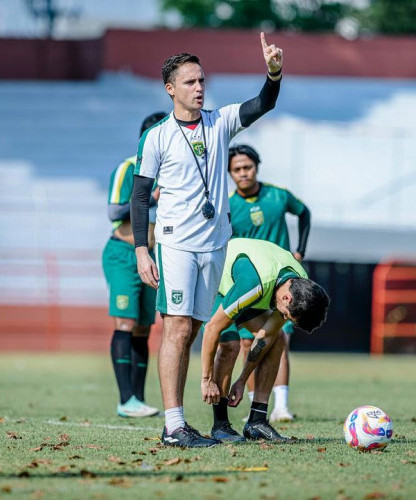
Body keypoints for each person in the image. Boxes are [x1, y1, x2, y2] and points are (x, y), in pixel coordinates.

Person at [131, 33, 284, 447]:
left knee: (195, 327)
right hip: (175, 242)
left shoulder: (220, 121)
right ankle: (173, 425)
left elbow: (263, 103)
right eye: (190, 82)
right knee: (177, 328)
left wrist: (273, 73)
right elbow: (141, 196)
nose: (200, 88)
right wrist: (142, 249)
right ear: (170, 88)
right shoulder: (157, 136)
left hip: (215, 243)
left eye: (202, 81)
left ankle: (181, 423)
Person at [200, 238, 329, 442]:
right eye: (286, 315)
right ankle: (220, 425)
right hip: (217, 280)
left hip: (245, 283)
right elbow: (211, 329)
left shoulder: (299, 282)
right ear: (287, 298)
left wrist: (242, 380)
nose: (284, 318)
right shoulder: (255, 286)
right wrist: (206, 380)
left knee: (278, 338)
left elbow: (265, 336)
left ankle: (257, 421)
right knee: (230, 345)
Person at [223, 144, 311, 423]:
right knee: (248, 344)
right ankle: (253, 406)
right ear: (230, 173)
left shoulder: (278, 195)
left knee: (278, 341)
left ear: (256, 167)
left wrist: (300, 250)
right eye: (236, 169)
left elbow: (304, 213)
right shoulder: (228, 206)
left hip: (281, 286)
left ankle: (281, 406)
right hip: (251, 285)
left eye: (247, 167)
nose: (243, 173)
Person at [103, 112, 167, 418]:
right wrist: (150, 196)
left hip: (154, 256)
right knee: (125, 324)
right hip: (124, 253)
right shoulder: (129, 167)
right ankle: (124, 398)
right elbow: (114, 210)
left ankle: (138, 400)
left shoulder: (173, 171)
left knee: (144, 328)